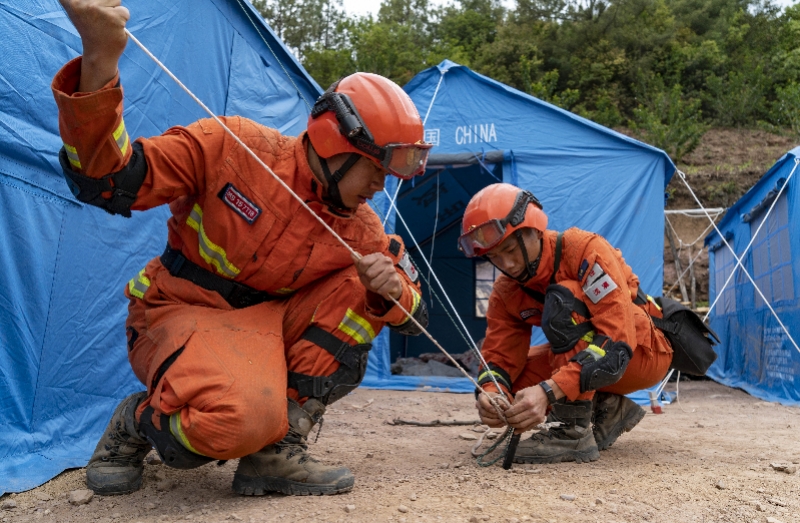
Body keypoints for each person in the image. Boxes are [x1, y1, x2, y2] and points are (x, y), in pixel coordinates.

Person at [53, 0, 431, 496]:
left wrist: (391, 292)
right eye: (376, 170)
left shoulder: (360, 229)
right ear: (336, 143)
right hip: (176, 311)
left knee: (367, 289)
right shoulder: (229, 147)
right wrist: (100, 60)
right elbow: (106, 180)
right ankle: (136, 419)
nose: (380, 188)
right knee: (224, 427)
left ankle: (275, 449)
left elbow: (413, 312)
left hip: (260, 333)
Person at [458, 183, 674, 464]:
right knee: (515, 389)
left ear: (534, 230)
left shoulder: (584, 250)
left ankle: (572, 432)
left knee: (565, 299)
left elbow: (617, 341)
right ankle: (606, 408)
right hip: (602, 358)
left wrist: (548, 392)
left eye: (510, 249)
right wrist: (492, 396)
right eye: (494, 257)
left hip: (643, 351)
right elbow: (499, 357)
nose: (507, 264)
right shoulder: (505, 291)